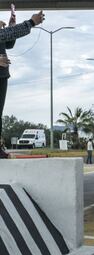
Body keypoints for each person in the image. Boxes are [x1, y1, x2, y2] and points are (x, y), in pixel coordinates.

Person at [0, 11, 45, 159]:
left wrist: (11, 26)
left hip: (2, 75)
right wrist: (31, 23)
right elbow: (7, 34)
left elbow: (8, 41)